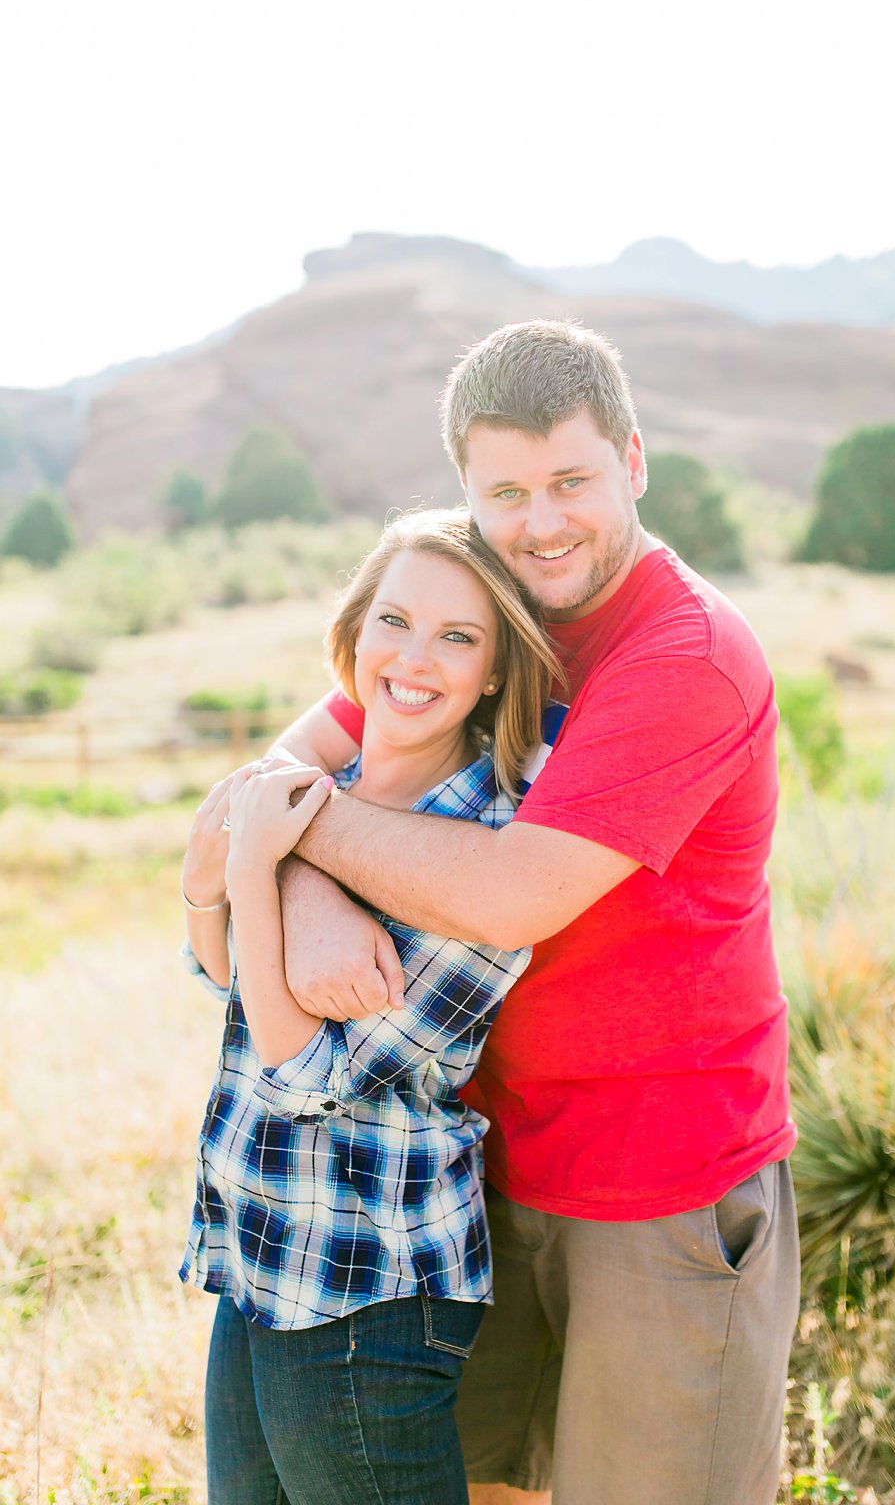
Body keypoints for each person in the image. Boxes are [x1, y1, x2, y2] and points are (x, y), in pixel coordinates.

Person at [265, 320, 799, 1505]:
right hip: (478, 1165)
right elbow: (269, 779)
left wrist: (297, 838)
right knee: (483, 1488)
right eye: (504, 491)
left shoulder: (687, 653)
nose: (540, 522)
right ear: (466, 490)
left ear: (634, 464)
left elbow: (516, 894)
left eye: (571, 481)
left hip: (660, 1187)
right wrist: (301, 887)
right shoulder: (475, 621)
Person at [179, 508, 563, 1504]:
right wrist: (206, 881)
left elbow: (302, 1067)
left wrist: (258, 861)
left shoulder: (482, 845)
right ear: (351, 635)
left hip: (367, 1289)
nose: (415, 660)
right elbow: (220, 970)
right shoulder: (322, 782)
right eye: (394, 621)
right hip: (264, 1256)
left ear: (492, 673)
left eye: (458, 637)